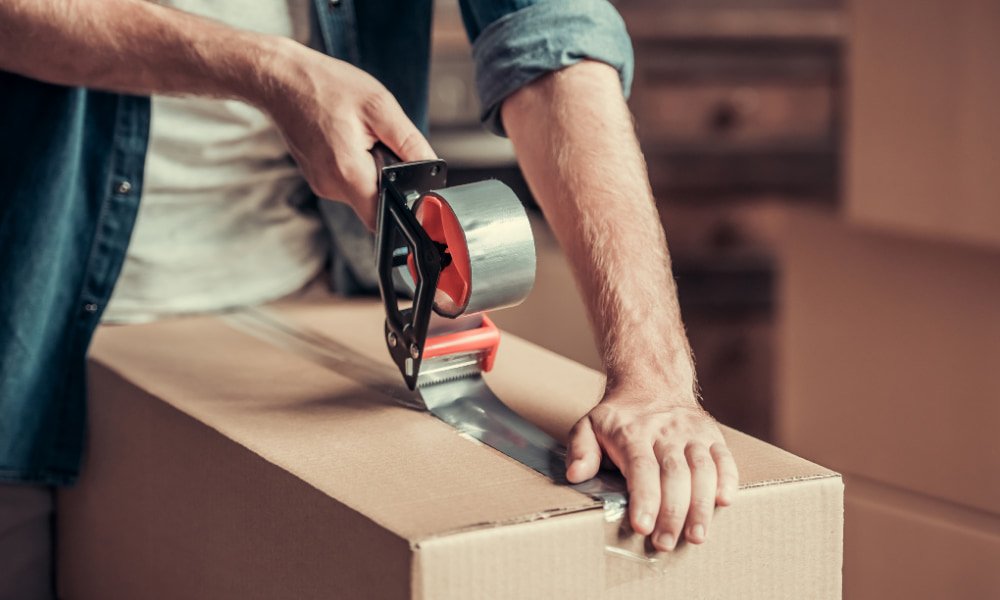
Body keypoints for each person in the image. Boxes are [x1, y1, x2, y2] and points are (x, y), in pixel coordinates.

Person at [0, 0, 738, 596]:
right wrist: (266, 67)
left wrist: (654, 377)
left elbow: (552, 39)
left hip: (295, 304)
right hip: (26, 315)